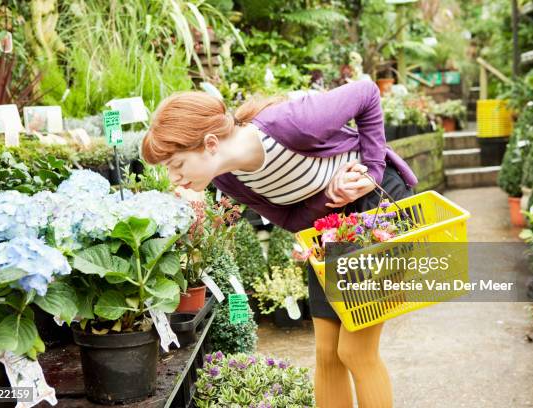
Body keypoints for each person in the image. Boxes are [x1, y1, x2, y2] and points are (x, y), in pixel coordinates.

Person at [142, 80, 418, 408]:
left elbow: (367, 93)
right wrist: (329, 198)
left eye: (177, 165)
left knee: (356, 351)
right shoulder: (227, 178)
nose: (174, 178)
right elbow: (291, 221)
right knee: (327, 352)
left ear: (211, 143)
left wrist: (368, 172)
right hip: (329, 224)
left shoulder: (290, 124)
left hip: (377, 205)